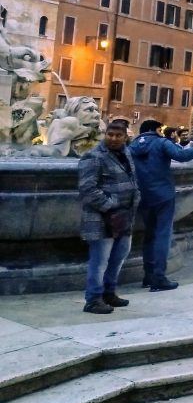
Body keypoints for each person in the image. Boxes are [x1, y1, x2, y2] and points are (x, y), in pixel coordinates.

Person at [131, 119, 193, 290]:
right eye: (161, 129)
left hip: (143, 196)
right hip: (163, 195)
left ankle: (148, 275)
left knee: (149, 236)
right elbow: (182, 156)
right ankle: (159, 277)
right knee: (162, 235)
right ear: (156, 129)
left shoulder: (132, 145)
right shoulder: (161, 143)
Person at [77, 119, 140, 314]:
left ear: (125, 137)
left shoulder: (126, 153)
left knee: (118, 257)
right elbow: (87, 189)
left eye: (118, 135)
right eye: (110, 135)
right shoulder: (93, 156)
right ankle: (93, 299)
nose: (113, 138)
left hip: (124, 217)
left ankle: (109, 292)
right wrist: (111, 204)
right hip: (102, 219)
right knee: (99, 261)